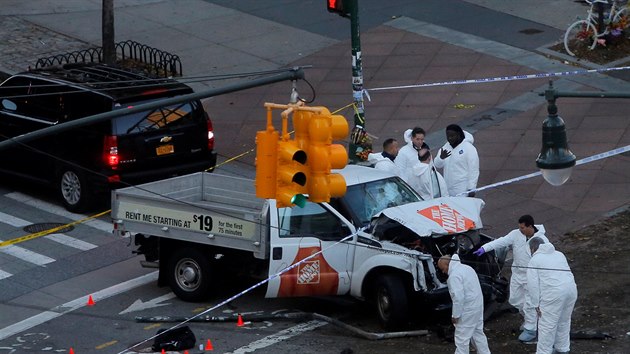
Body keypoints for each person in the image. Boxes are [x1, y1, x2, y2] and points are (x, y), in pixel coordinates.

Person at [473, 215, 549, 343]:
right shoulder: (516, 234)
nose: (520, 230)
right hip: (517, 274)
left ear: (530, 226)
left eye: (522, 227)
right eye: (519, 227)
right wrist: (485, 248)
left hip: (531, 276)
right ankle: (531, 321)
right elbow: (502, 241)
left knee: (530, 303)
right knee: (515, 300)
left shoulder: (542, 240)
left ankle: (531, 329)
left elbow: (547, 260)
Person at [527, 237, 577, 354]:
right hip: (571, 291)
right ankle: (563, 349)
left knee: (547, 327)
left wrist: (536, 304)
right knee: (564, 321)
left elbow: (532, 285)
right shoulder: (559, 254)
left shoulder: (535, 260)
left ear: (533, 248)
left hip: (553, 295)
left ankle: (544, 352)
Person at [438, 254, 491, 354]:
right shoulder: (467, 268)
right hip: (478, 306)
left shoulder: (454, 276)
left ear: (447, 264)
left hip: (468, 309)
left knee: (461, 339)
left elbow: (458, 298)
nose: (443, 271)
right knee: (478, 333)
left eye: (443, 268)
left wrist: (455, 315)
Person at [433, 124, 479, 197]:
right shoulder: (445, 147)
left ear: (459, 135)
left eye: (452, 136)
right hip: (447, 188)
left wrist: (472, 188)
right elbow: (437, 165)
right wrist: (441, 158)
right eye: (448, 136)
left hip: (462, 189)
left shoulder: (469, 148)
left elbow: (473, 170)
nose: (450, 138)